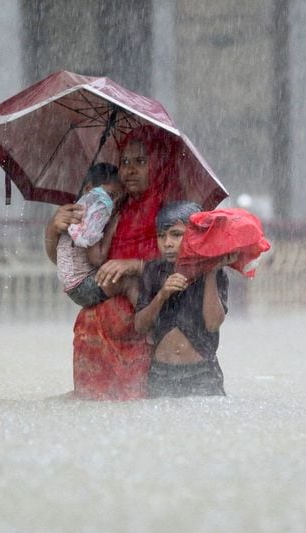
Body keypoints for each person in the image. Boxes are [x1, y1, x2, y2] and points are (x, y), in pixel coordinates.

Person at [45, 126, 185, 400]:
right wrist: (52, 230)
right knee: (93, 415)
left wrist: (135, 265)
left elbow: (182, 265)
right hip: (94, 330)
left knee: (135, 412)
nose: (130, 170)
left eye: (141, 162)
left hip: (142, 330)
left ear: (157, 166)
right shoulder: (107, 206)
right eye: (125, 162)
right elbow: (69, 264)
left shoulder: (169, 210)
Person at [134, 201, 236, 397]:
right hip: (161, 373)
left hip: (202, 374)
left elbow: (213, 323)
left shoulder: (214, 271)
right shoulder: (153, 271)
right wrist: (162, 295)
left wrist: (211, 273)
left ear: (194, 236)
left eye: (176, 234)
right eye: (161, 236)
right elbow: (140, 326)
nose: (168, 243)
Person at [56, 163, 138, 307]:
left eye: (119, 200)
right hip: (83, 285)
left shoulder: (79, 209)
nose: (113, 204)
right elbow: (97, 259)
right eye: (111, 195)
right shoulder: (92, 216)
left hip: (73, 285)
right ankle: (145, 320)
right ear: (89, 189)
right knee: (130, 283)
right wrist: (112, 229)